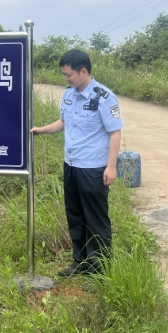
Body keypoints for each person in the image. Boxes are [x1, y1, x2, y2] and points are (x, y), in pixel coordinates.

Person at [31, 49, 122, 278]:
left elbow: (115, 132)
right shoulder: (68, 94)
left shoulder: (104, 97)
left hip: (93, 168)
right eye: (64, 75)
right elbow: (63, 121)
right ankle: (79, 262)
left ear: (83, 71)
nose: (66, 78)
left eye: (69, 74)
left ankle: (99, 269)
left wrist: (110, 167)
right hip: (71, 164)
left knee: (96, 219)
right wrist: (42, 130)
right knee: (75, 214)